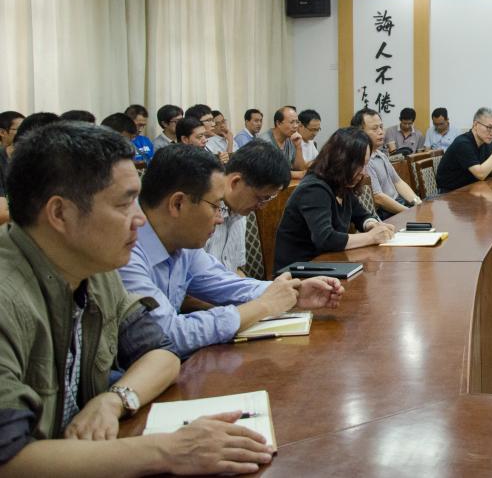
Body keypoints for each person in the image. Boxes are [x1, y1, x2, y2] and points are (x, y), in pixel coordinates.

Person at [0, 122, 273, 475]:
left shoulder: (94, 271)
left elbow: (161, 353)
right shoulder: (10, 296)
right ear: (60, 213)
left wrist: (114, 400)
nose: (140, 219)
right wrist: (168, 451)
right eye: (125, 203)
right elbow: (9, 460)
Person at [118, 144, 343, 357]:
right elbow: (166, 335)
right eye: (215, 206)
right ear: (178, 204)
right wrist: (262, 306)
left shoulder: (184, 244)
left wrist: (294, 291)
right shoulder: (126, 253)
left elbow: (225, 283)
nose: (220, 218)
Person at [274, 128, 395, 271]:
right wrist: (371, 237)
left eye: (365, 164)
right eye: (359, 165)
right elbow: (325, 239)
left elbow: (361, 215)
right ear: (340, 161)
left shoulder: (342, 184)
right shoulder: (314, 188)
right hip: (299, 271)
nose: (364, 172)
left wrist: (373, 225)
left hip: (328, 264)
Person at [205, 141, 292, 274]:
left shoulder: (239, 213)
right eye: (261, 198)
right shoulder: (201, 214)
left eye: (268, 199)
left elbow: (236, 270)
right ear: (236, 182)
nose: (262, 207)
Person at [352, 108, 422, 219]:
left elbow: (398, 182)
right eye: (375, 128)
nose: (381, 132)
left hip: (399, 204)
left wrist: (417, 202)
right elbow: (378, 198)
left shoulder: (380, 154)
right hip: (386, 212)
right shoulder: (364, 160)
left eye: (381, 127)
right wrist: (409, 212)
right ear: (360, 132)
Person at [436, 107, 492, 192]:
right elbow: (480, 174)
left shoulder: (485, 142)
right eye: (489, 127)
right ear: (475, 125)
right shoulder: (463, 143)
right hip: (449, 193)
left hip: (471, 188)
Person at [258, 105, 306, 175]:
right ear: (278, 123)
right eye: (292, 122)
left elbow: (300, 168)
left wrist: (298, 147)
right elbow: (267, 172)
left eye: (297, 122)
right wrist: (296, 175)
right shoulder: (263, 142)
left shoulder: (291, 138)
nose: (296, 126)